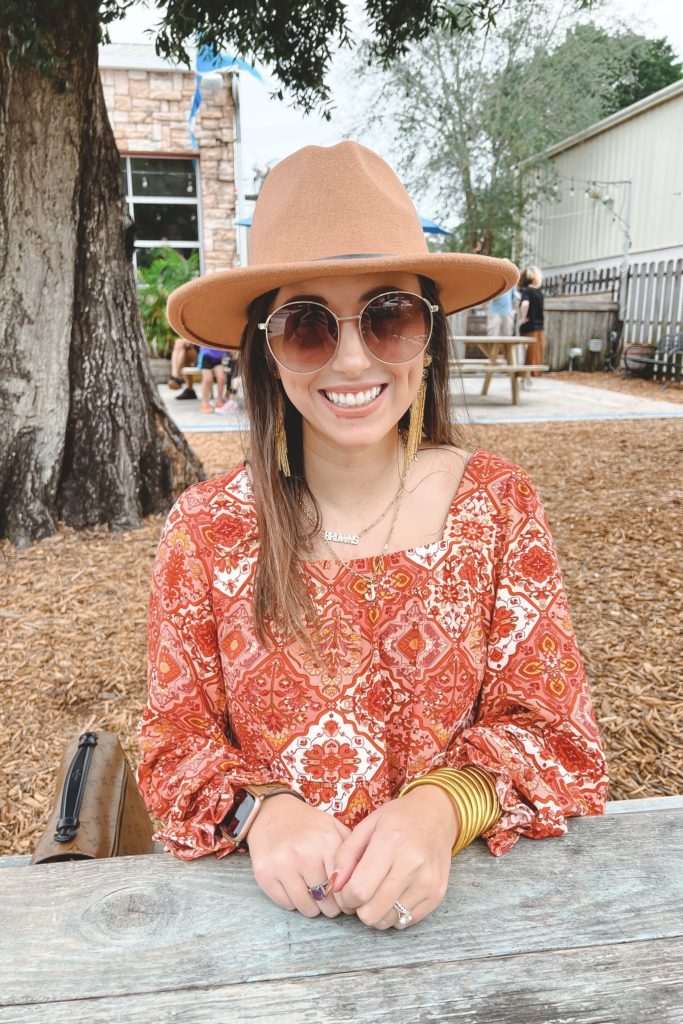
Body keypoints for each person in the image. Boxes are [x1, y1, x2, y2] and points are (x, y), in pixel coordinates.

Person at [137, 142, 607, 933]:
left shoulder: (495, 506)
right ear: (263, 349)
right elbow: (170, 744)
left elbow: (556, 736)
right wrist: (264, 813)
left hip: (470, 929)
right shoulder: (205, 531)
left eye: (388, 315)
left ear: (428, 336)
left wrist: (438, 809)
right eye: (306, 326)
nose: (352, 357)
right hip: (261, 937)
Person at [518, 266, 545, 384]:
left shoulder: (527, 291)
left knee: (527, 353)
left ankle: (527, 377)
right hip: (540, 327)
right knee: (537, 352)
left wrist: (523, 318)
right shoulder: (539, 292)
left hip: (529, 327)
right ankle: (534, 375)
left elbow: (525, 304)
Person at [197, 345, 232, 414]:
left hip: (218, 359)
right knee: (207, 378)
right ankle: (204, 403)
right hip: (206, 356)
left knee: (221, 377)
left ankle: (219, 401)